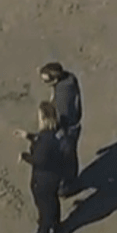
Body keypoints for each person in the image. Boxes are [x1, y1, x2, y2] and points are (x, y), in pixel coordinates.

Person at [16, 102, 64, 233]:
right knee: (53, 202)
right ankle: (55, 224)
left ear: (43, 119)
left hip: (43, 180)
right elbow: (41, 140)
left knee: (43, 205)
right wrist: (28, 136)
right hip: (54, 177)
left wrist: (25, 156)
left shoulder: (44, 140)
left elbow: (39, 160)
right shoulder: (56, 134)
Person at [39, 62, 83, 197]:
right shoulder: (69, 78)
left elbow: (61, 119)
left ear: (56, 79)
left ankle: (66, 187)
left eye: (46, 80)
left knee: (65, 158)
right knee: (70, 156)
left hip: (68, 130)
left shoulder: (64, 96)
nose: (43, 82)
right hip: (74, 123)